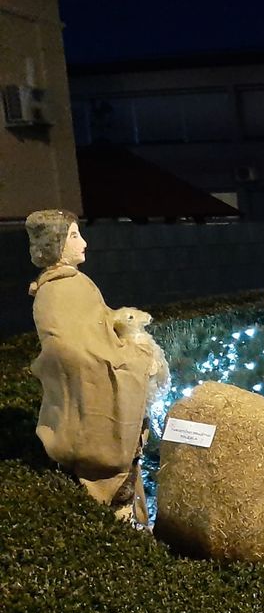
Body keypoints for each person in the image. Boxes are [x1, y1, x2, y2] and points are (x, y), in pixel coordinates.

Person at [26, 209, 153, 525]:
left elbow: (98, 326)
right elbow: (68, 350)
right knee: (113, 496)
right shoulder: (58, 291)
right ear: (56, 244)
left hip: (98, 382)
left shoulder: (75, 283)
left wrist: (122, 327)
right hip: (90, 400)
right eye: (73, 236)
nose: (83, 243)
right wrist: (129, 358)